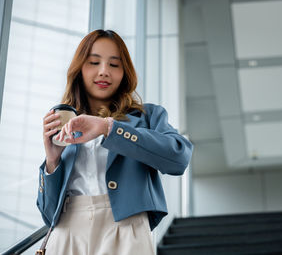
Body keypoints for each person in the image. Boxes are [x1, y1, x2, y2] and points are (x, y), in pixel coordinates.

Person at [37, 29, 193, 254]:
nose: (103, 72)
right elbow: (49, 215)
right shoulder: (65, 122)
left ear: (124, 72)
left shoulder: (147, 116)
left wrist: (109, 128)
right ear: (79, 69)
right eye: (93, 62)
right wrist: (52, 161)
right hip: (68, 231)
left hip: (127, 229)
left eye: (114, 64)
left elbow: (179, 158)